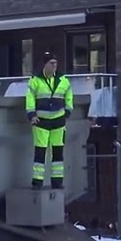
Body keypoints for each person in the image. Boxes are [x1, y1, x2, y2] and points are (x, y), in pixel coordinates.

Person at [25, 52, 73, 189]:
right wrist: (32, 115)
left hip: (58, 120)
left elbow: (69, 96)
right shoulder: (35, 80)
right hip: (41, 121)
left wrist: (68, 111)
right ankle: (37, 182)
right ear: (44, 65)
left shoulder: (63, 80)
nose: (54, 66)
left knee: (58, 152)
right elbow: (30, 99)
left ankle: (57, 182)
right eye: (51, 63)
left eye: (55, 63)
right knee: (40, 152)